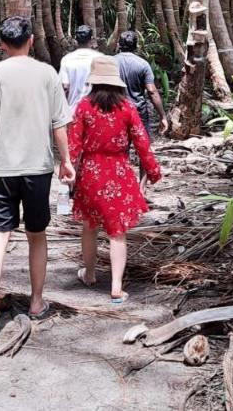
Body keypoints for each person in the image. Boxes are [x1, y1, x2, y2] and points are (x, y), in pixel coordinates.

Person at [0, 16, 75, 341]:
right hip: (38, 168)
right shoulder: (46, 73)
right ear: (32, 40)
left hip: (1, 170)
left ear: (1, 44)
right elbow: (59, 125)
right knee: (36, 234)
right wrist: (66, 161)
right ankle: (37, 303)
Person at [68, 56, 162, 304]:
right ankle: (116, 287)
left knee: (89, 226)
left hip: (91, 172)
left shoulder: (84, 106)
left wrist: (68, 170)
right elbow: (142, 142)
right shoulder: (127, 108)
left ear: (94, 81)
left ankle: (89, 274)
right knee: (117, 232)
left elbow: (74, 143)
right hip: (119, 172)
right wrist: (152, 171)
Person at [114, 30, 166, 137]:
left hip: (115, 110)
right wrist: (163, 116)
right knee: (143, 146)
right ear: (136, 46)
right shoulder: (143, 64)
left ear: (119, 45)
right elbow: (152, 91)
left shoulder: (110, 62)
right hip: (138, 111)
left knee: (118, 147)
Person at [59, 24, 103, 113]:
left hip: (73, 112)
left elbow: (64, 87)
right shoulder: (100, 58)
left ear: (76, 40)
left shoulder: (67, 59)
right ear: (91, 39)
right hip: (95, 113)